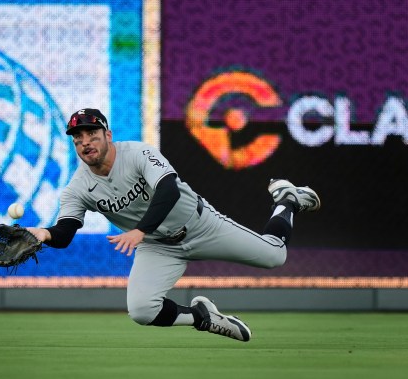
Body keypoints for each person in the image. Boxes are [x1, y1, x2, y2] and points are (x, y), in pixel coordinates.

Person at [27, 108, 320, 342]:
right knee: (142, 310)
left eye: (91, 133)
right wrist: (43, 233)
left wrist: (140, 230)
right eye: (77, 138)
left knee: (275, 256)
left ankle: (287, 200)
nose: (85, 142)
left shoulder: (138, 153)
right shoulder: (78, 187)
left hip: (199, 225)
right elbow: (65, 231)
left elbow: (169, 190)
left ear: (108, 134)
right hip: (158, 247)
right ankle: (202, 317)